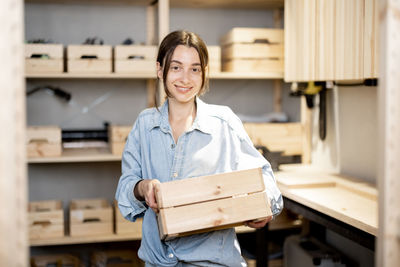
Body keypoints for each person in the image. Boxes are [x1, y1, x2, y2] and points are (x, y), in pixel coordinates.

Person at [115, 30, 283, 267]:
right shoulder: (145, 125)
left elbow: (265, 180)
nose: (186, 78)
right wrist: (142, 188)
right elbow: (124, 192)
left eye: (195, 69)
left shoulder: (223, 122)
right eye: (176, 67)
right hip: (158, 262)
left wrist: (263, 206)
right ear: (159, 70)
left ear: (204, 74)